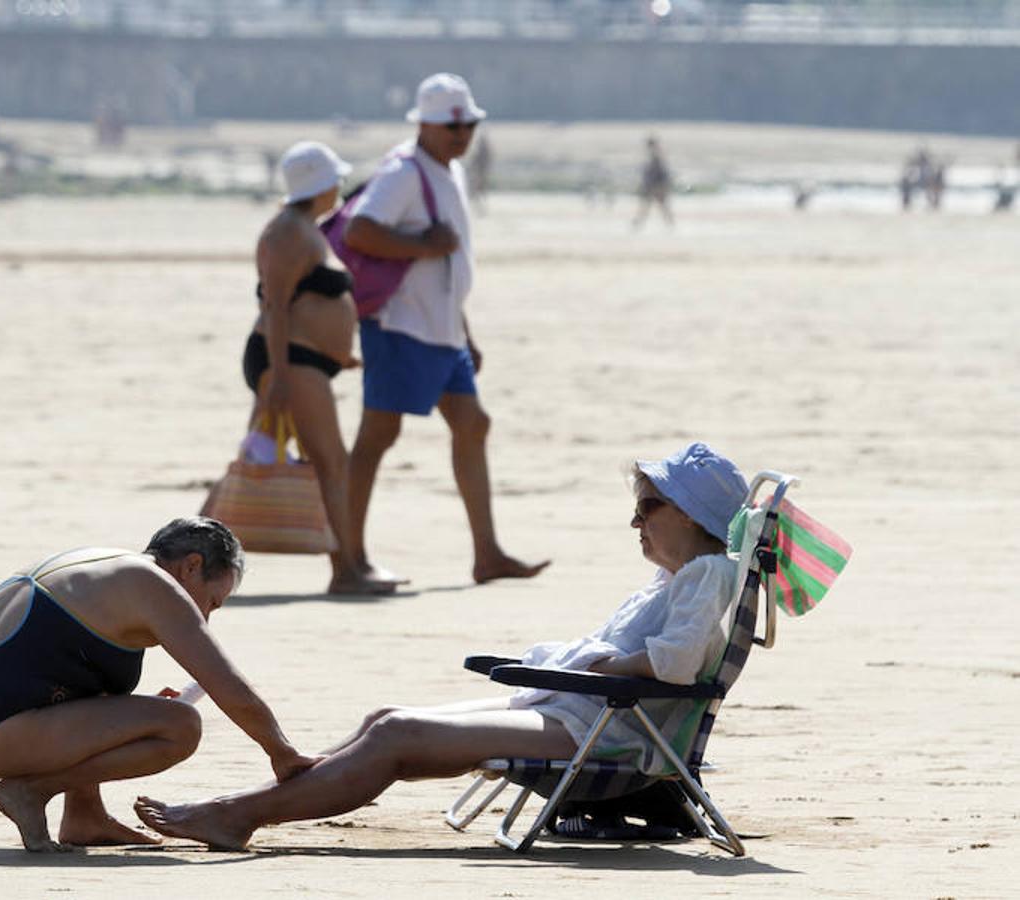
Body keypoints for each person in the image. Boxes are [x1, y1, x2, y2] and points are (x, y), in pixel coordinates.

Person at [134, 443, 750, 849]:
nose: (636, 520)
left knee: (398, 733)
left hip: (612, 730)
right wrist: (570, 666)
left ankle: (241, 812)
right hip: (589, 712)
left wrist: (599, 665)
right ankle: (258, 802)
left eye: (648, 506)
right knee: (384, 721)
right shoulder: (679, 576)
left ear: (693, 516)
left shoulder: (705, 573)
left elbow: (675, 664)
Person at [0, 517, 319, 852]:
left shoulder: (101, 564)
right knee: (180, 727)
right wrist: (281, 753)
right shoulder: (155, 588)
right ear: (191, 566)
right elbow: (228, 686)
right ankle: (32, 791)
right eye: (213, 602)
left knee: (126, 699)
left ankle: (85, 816)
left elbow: (66, 676)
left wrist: (128, 713)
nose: (206, 618)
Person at [341, 73, 548, 586]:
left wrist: (465, 331)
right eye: (451, 126)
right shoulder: (404, 171)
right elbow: (359, 230)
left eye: (468, 125)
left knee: (472, 424)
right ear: (425, 126)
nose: (461, 135)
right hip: (400, 327)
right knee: (377, 437)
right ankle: (347, 562)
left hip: (442, 330)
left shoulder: (445, 168)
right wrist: (423, 248)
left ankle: (487, 553)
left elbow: (447, 263)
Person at [237, 141, 397, 595]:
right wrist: (282, 376)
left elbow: (307, 297)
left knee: (324, 463)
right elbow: (276, 304)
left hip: (302, 358)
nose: (340, 188)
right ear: (321, 185)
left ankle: (349, 565)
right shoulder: (287, 232)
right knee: (331, 464)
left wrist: (338, 353)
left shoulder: (304, 228)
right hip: (287, 358)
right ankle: (347, 570)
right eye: (336, 181)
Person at [632, 134, 673, 228]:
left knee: (651, 205)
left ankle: (638, 223)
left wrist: (649, 183)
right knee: (655, 205)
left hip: (655, 185)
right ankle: (670, 223)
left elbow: (656, 171)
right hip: (656, 184)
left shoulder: (656, 155)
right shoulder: (656, 154)